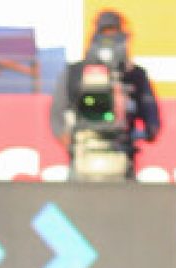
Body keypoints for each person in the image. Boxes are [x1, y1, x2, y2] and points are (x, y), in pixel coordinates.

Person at [49, 9, 160, 180]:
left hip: (122, 152)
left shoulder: (135, 75)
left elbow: (150, 112)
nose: (110, 41)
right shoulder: (75, 72)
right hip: (83, 152)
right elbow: (57, 112)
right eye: (105, 34)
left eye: (115, 35)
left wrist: (149, 129)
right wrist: (69, 141)